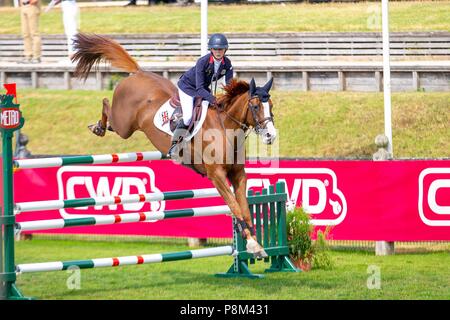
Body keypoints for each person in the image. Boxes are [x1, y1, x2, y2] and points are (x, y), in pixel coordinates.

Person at [167, 33, 233, 157]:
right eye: (215, 49)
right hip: (188, 87)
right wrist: (214, 99)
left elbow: (230, 86)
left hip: (202, 88)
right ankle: (174, 145)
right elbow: (199, 88)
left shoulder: (227, 64)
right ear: (211, 49)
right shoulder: (202, 62)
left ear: (225, 49)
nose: (218, 51)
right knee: (187, 117)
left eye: (221, 49)